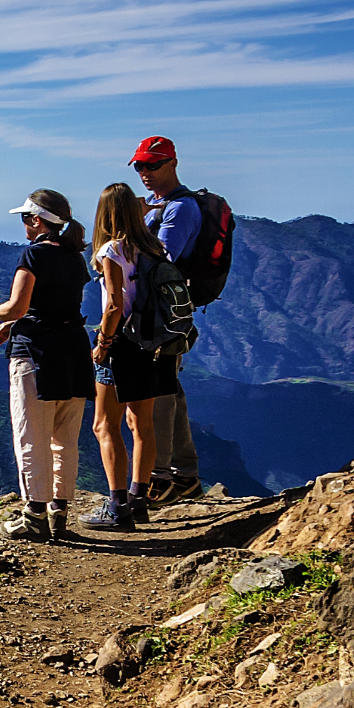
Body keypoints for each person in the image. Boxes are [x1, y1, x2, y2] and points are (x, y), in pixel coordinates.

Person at [0, 191, 92, 540]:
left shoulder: (34, 254)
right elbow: (56, 307)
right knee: (65, 437)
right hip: (73, 350)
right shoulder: (74, 257)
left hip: (37, 354)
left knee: (31, 435)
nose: (23, 223)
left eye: (26, 217)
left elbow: (18, 306)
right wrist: (11, 326)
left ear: (37, 221)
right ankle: (59, 512)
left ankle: (33, 516)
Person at [81, 183, 176, 532]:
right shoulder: (156, 247)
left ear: (105, 214)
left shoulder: (112, 250)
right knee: (142, 424)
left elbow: (114, 305)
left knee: (104, 424)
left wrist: (103, 344)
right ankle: (139, 500)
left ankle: (117, 505)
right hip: (155, 343)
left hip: (123, 344)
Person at [131, 137, 203, 502]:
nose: (144, 172)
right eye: (139, 166)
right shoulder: (158, 207)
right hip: (159, 315)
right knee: (168, 388)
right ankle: (185, 475)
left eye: (152, 165)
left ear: (172, 163)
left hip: (161, 318)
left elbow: (160, 260)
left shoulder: (179, 210)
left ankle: (160, 478)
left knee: (157, 392)